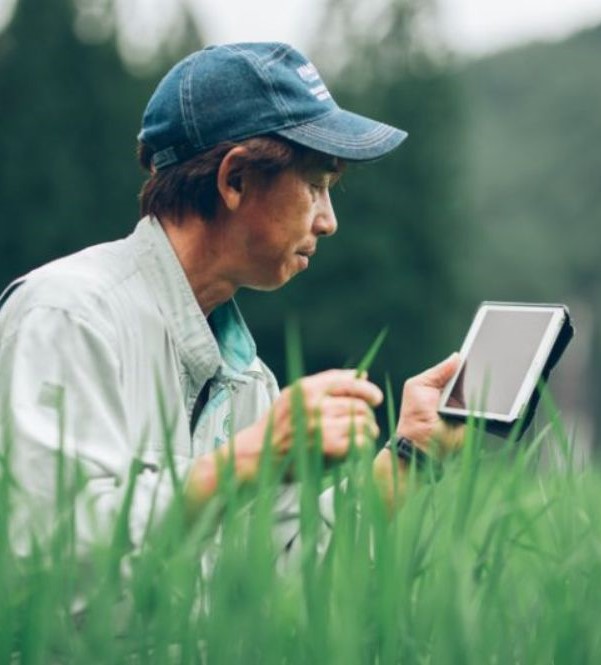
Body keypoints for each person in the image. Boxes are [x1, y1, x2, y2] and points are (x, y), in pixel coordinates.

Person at [0, 42, 463, 557]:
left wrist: (412, 455)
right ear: (235, 179)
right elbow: (43, 556)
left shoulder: (249, 380)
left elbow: (282, 582)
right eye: (315, 185)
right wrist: (247, 462)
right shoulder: (69, 316)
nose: (328, 221)